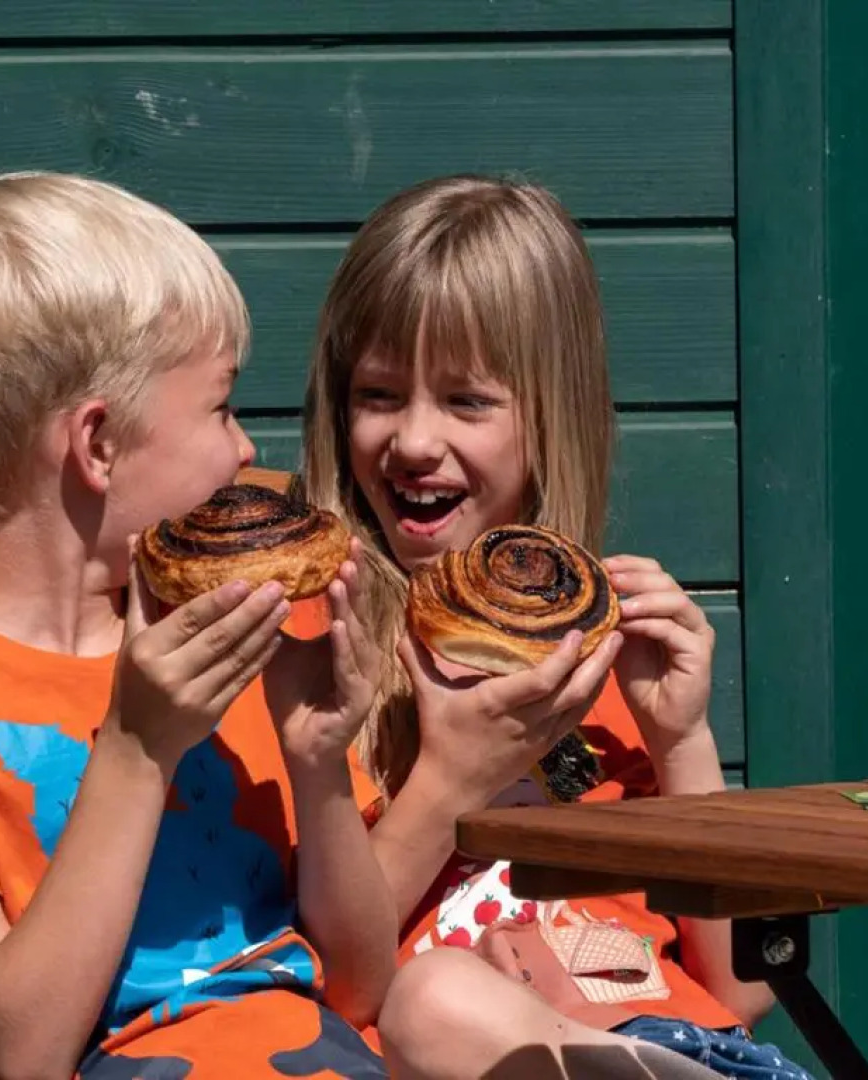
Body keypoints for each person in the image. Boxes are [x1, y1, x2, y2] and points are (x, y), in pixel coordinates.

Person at [0, 170, 397, 1080]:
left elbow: (357, 992)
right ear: (98, 444)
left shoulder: (244, 624)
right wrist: (133, 747)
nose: (246, 450)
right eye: (221, 405)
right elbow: (24, 1054)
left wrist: (318, 770)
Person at [298, 174, 816, 1079]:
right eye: (378, 395)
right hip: (478, 1042)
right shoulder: (319, 660)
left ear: (553, 415)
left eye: (467, 402)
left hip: (692, 1048)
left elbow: (740, 985)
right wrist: (452, 781)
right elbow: (339, 990)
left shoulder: (601, 650)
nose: (414, 441)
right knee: (436, 998)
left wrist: (681, 735)